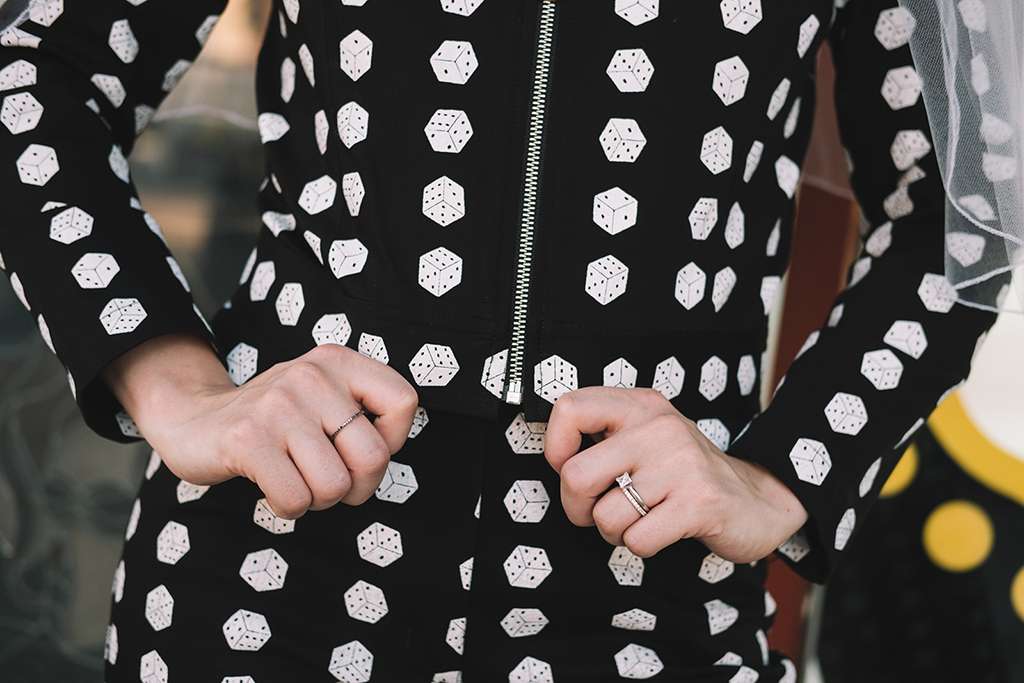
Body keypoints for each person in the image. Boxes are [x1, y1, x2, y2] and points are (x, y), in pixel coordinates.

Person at [0, 0, 1000, 680]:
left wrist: (782, 479)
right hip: (266, 571)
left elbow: (967, 198)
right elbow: (35, 73)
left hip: (650, 597)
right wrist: (173, 384)